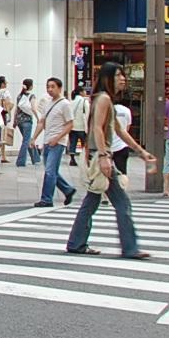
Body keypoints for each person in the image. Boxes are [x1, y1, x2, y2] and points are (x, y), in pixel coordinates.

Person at [66, 61, 152, 259]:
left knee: (92, 201)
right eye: (118, 75)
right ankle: (130, 247)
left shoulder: (102, 99)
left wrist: (140, 151)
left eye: (123, 75)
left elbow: (119, 130)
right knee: (122, 203)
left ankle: (76, 242)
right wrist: (104, 156)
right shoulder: (104, 99)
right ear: (108, 78)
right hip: (100, 156)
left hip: (96, 155)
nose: (123, 79)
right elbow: (97, 127)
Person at [31, 77, 77, 207]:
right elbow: (41, 122)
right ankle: (68, 190)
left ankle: (46, 199)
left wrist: (57, 138)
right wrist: (34, 138)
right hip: (47, 141)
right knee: (52, 171)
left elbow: (70, 124)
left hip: (58, 142)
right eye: (48, 87)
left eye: (53, 87)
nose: (50, 89)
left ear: (59, 88)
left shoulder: (65, 104)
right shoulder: (48, 103)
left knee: (50, 171)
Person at [14, 78, 38, 167]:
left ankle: (35, 158)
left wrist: (14, 121)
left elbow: (16, 109)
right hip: (27, 121)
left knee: (27, 139)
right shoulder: (32, 96)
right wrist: (38, 118)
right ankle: (20, 161)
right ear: (31, 86)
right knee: (26, 141)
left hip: (19, 121)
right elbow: (34, 108)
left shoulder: (19, 96)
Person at [68, 85, 91, 166]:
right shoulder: (84, 101)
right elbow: (88, 114)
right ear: (81, 92)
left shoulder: (71, 101)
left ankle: (72, 159)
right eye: (84, 91)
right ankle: (85, 158)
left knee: (73, 143)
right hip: (81, 127)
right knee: (84, 143)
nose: (85, 92)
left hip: (72, 127)